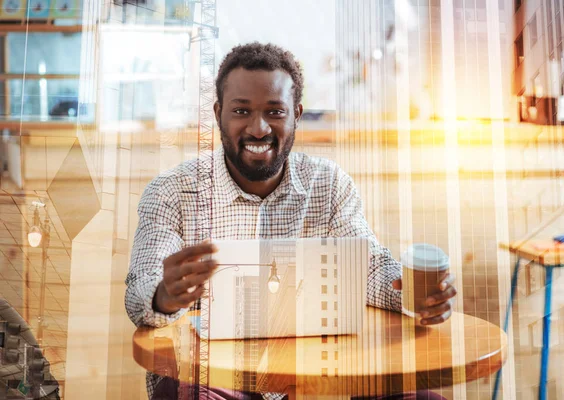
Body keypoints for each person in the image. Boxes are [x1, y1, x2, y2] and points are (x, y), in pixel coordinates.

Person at [125, 42, 456, 400]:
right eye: (241, 111)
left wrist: (412, 292)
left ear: (296, 114)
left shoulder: (327, 184)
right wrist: (165, 296)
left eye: (274, 111)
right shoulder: (171, 192)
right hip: (215, 379)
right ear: (219, 113)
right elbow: (140, 292)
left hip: (318, 379)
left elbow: (369, 268)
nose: (258, 128)